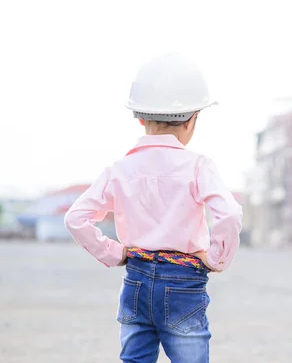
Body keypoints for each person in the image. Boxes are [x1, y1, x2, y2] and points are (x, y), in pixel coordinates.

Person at [64, 53, 243, 363]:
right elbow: (228, 214)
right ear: (193, 120)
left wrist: (113, 252)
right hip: (184, 281)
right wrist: (216, 258)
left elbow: (76, 219)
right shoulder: (199, 166)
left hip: (136, 277)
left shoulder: (120, 169)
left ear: (141, 118)